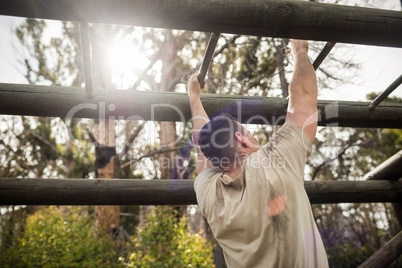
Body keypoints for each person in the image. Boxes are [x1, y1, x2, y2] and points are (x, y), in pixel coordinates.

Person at [187, 39, 329, 267]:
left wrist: (193, 97)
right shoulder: (277, 159)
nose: (253, 137)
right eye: (248, 132)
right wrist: (300, 50)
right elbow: (303, 99)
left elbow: (202, 148)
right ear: (240, 139)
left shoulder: (210, 195)